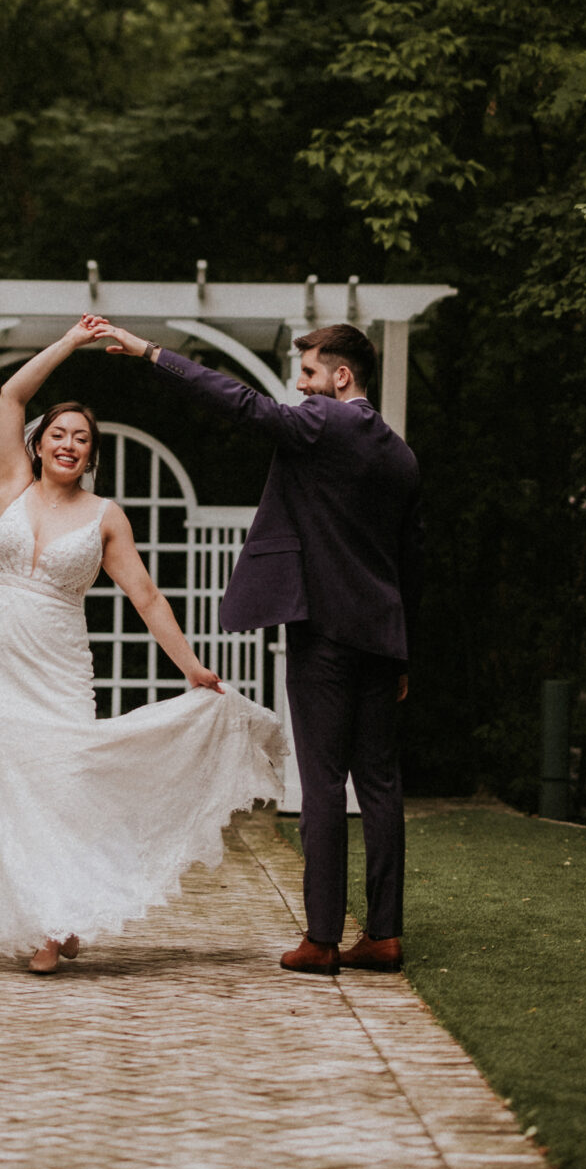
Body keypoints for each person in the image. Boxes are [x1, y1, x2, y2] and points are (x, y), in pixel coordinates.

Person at [0, 315, 286, 974]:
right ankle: (48, 921)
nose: (68, 444)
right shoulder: (10, 484)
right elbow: (10, 395)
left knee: (64, 782)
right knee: (10, 782)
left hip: (59, 660)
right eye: (59, 433)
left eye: (81, 439)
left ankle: (59, 912)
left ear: (91, 456)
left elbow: (147, 598)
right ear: (40, 445)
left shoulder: (105, 518)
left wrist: (194, 668)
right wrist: (70, 343)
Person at [102, 320, 423, 976]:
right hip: (382, 637)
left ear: (341, 378)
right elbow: (409, 561)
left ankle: (323, 938)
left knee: (325, 783)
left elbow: (240, 403)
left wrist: (150, 353)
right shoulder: (400, 454)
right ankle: (385, 934)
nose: (299, 390)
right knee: (382, 786)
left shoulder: (322, 423)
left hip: (325, 632)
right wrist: (403, 652)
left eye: (308, 375)